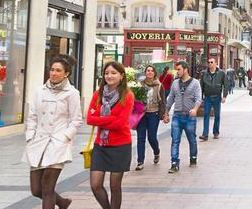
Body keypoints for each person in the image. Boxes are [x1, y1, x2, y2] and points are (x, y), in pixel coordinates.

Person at [24, 56, 81, 209]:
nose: (54, 73)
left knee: (47, 188)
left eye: (58, 70)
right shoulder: (39, 91)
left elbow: (76, 120)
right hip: (38, 142)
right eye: (52, 70)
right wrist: (30, 135)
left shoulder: (72, 93)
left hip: (57, 144)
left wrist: (64, 137)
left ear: (66, 74)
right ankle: (63, 202)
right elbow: (32, 115)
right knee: (36, 190)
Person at [86, 61, 134, 209]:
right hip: (101, 145)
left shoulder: (128, 96)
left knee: (115, 186)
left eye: (113, 73)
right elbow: (89, 119)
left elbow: (120, 123)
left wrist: (100, 119)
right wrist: (111, 119)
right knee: (95, 184)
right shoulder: (98, 94)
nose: (109, 76)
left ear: (121, 76)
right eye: (107, 73)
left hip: (121, 145)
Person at [164, 61, 202, 173]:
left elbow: (198, 98)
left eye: (179, 69)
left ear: (185, 69)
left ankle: (193, 158)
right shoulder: (175, 83)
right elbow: (170, 98)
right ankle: (174, 163)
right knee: (175, 140)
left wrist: (195, 109)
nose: (177, 72)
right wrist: (166, 113)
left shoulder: (195, 83)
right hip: (177, 115)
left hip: (189, 116)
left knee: (192, 139)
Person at [135, 65, 167, 170]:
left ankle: (156, 151)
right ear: (145, 73)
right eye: (147, 71)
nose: (149, 72)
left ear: (154, 73)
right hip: (142, 114)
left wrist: (164, 114)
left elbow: (163, 101)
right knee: (141, 138)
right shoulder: (140, 85)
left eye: (151, 71)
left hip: (154, 113)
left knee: (152, 137)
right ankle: (140, 161)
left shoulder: (159, 85)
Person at [199, 58, 226, 140]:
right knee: (206, 115)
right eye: (209, 62)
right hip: (207, 97)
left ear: (215, 63)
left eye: (211, 62)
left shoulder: (221, 73)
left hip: (217, 97)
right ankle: (205, 134)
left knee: (217, 115)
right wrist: (200, 98)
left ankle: (216, 132)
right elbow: (201, 86)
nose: (210, 63)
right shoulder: (204, 73)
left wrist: (224, 96)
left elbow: (226, 84)